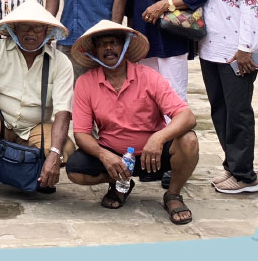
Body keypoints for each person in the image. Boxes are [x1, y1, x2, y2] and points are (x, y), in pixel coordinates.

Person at [64, 20, 199, 225]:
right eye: (102, 44)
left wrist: (158, 138)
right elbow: (81, 133)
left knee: (189, 140)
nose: (108, 48)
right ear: (94, 51)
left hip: (153, 156)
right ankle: (120, 183)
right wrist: (104, 155)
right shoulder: (85, 82)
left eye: (114, 43)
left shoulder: (148, 76)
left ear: (125, 46)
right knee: (75, 169)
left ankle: (173, 195)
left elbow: (187, 116)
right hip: (114, 154)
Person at [0, 0, 75, 203]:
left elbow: (62, 113)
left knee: (64, 148)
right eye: (24, 26)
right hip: (0, 124)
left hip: (34, 129)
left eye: (38, 27)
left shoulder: (61, 62)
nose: (31, 32)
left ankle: (39, 172)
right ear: (14, 29)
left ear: (47, 30)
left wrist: (54, 154)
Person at [185, 0, 258, 194]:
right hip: (210, 49)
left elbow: (253, 9)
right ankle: (232, 166)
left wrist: (246, 48)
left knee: (239, 111)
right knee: (220, 109)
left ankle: (245, 175)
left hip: (237, 52)